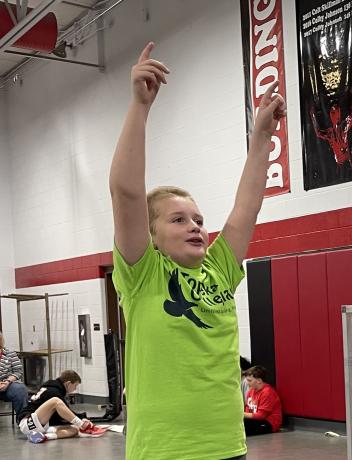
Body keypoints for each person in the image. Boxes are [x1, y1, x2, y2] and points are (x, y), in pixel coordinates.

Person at [109, 42, 286, 459]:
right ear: (152, 237)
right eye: (178, 220)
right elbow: (126, 191)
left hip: (227, 447)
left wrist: (261, 137)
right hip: (165, 451)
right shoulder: (143, 276)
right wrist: (140, 107)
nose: (195, 227)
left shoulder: (219, 269)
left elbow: (246, 208)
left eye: (198, 220)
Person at [17, 370, 105, 443]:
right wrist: (81, 421)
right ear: (68, 383)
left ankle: (44, 437)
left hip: (39, 424)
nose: (75, 389)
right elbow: (66, 414)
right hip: (27, 422)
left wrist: (80, 419)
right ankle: (82, 425)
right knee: (56, 401)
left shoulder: (53, 389)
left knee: (75, 429)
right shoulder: (53, 392)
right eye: (75, 386)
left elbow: (65, 414)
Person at [242, 366, 282, 436]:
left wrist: (241, 414)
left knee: (242, 426)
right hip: (256, 420)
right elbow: (247, 410)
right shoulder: (251, 391)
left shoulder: (267, 392)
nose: (247, 383)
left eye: (250, 381)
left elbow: (261, 416)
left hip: (268, 423)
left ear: (259, 381)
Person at [0, 332, 29, 417]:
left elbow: (18, 371)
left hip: (7, 384)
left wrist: (8, 381)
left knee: (20, 389)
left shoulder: (10, 353)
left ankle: (23, 419)